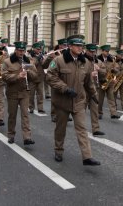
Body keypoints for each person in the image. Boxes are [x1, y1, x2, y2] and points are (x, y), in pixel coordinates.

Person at [46, 34, 101, 166]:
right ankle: (58, 150)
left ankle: (87, 156)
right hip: (62, 102)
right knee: (61, 129)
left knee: (82, 128)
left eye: (81, 46)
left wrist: (94, 95)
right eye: (77, 45)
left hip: (79, 101)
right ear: (70, 46)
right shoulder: (59, 60)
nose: (80, 48)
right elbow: (50, 77)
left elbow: (88, 82)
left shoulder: (85, 62)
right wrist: (65, 88)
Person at [1, 41, 37, 145]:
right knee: (12, 115)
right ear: (16, 50)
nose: (22, 53)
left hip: (25, 92)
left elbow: (35, 76)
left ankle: (27, 137)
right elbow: (4, 76)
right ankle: (11, 135)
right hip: (12, 92)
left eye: (23, 50)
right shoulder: (8, 62)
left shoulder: (28, 61)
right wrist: (17, 76)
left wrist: (29, 72)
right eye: (20, 50)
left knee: (25, 115)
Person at [83, 43, 105, 136]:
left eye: (94, 51)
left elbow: (104, 72)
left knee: (95, 109)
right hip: (84, 88)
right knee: (82, 109)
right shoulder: (82, 60)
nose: (92, 53)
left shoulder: (98, 61)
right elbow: (78, 73)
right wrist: (89, 74)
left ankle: (95, 129)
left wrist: (99, 70)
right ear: (86, 51)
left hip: (94, 87)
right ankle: (81, 128)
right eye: (91, 51)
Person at [97, 44, 120, 119]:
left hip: (110, 82)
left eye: (108, 51)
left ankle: (113, 113)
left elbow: (117, 67)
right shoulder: (98, 59)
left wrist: (115, 70)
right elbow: (96, 69)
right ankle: (99, 112)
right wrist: (103, 72)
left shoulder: (112, 59)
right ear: (102, 51)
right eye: (106, 51)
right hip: (101, 81)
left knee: (111, 97)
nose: (107, 53)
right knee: (100, 99)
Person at [28, 41, 49, 114]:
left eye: (40, 49)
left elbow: (45, 66)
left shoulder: (41, 55)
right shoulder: (29, 56)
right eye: (37, 49)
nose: (39, 51)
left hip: (40, 77)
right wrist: (37, 59)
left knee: (40, 94)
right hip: (32, 77)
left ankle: (40, 108)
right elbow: (32, 65)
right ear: (33, 49)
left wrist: (47, 59)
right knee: (31, 94)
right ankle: (31, 107)